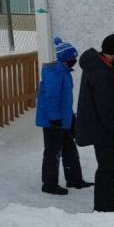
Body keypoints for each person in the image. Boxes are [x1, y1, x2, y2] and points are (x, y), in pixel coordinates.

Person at [76, 34, 114, 213]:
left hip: (106, 128)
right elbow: (107, 109)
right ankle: (104, 205)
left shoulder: (108, 67)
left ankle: (111, 200)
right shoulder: (101, 73)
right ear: (111, 53)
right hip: (103, 130)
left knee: (113, 166)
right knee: (108, 167)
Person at [36, 36, 91, 195]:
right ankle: (49, 184)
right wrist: (54, 118)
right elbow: (51, 98)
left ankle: (74, 180)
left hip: (64, 119)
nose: (75, 60)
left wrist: (70, 117)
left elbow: (65, 99)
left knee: (69, 149)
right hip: (52, 120)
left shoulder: (65, 72)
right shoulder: (54, 73)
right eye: (73, 57)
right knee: (53, 152)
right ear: (67, 58)